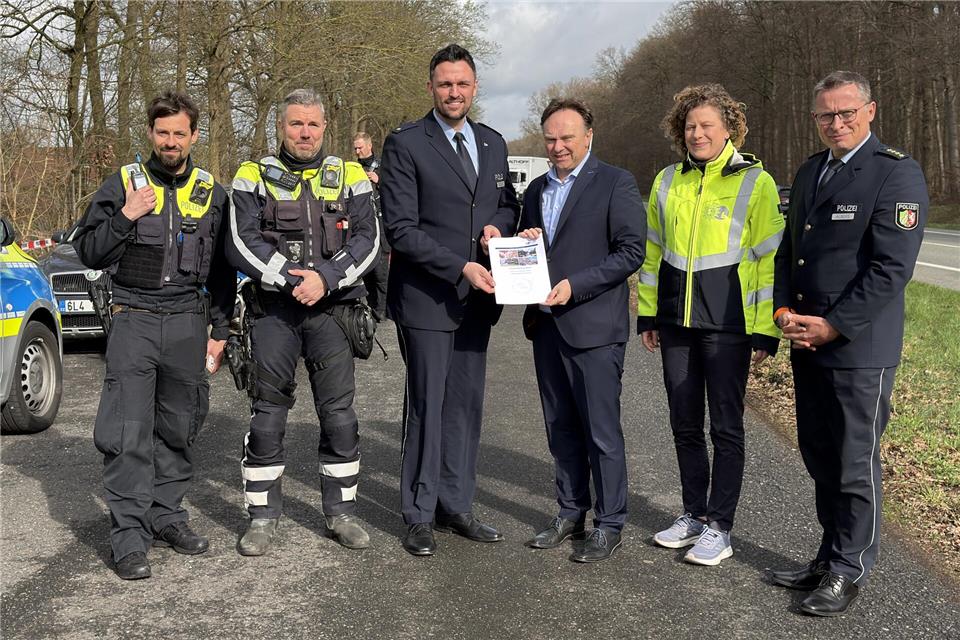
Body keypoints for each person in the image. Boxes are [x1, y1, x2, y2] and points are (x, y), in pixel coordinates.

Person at [770, 70, 928, 616]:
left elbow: (891, 268)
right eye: (825, 115)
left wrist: (834, 324)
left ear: (870, 111)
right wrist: (783, 308)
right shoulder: (812, 170)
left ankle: (848, 569)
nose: (835, 123)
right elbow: (791, 252)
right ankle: (827, 555)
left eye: (846, 113)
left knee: (854, 461)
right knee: (819, 455)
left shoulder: (895, 174)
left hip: (858, 347)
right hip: (806, 340)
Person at [69, 91, 235, 580]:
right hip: (134, 318)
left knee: (179, 429)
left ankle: (167, 517)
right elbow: (87, 252)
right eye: (162, 133)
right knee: (127, 434)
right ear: (150, 133)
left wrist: (219, 332)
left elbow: (225, 271)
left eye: (179, 133)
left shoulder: (212, 191)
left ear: (194, 136)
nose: (170, 141)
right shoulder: (124, 183)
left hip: (188, 321)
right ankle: (129, 538)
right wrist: (127, 216)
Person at [379, 43, 520, 556]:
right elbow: (401, 228)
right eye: (445, 84)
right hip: (428, 298)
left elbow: (509, 204)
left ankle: (455, 504)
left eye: (462, 84)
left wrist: (497, 227)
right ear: (431, 87)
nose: (454, 92)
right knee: (428, 406)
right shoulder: (406, 144)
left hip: (479, 301)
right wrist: (459, 265)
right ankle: (418, 512)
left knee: (465, 405)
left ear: (475, 87)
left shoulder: (493, 142)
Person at [226, 89, 380, 555]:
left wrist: (326, 279)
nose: (305, 132)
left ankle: (341, 514)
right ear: (280, 127)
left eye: (312, 124)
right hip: (274, 312)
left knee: (339, 417)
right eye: (296, 124)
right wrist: (292, 279)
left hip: (333, 312)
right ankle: (262, 518)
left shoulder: (349, 174)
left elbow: (369, 239)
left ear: (324, 126)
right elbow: (239, 240)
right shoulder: (252, 175)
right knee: (268, 415)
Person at [637, 84, 783, 566]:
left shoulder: (755, 182)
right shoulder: (666, 181)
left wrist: (765, 328)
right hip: (676, 322)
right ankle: (693, 515)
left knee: (725, 427)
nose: (697, 133)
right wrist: (649, 314)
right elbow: (654, 255)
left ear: (729, 129)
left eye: (707, 126)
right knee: (683, 423)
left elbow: (767, 261)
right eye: (690, 126)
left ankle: (720, 527)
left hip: (729, 326)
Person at [517, 99, 645, 563]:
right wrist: (525, 241)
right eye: (550, 138)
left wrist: (576, 286)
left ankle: (609, 522)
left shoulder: (615, 182)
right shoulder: (534, 190)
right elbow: (523, 245)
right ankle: (569, 512)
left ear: (588, 136)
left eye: (567, 137)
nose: (558, 146)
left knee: (601, 432)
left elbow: (631, 251)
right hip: (546, 327)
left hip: (593, 328)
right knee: (560, 428)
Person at [353, 131, 390, 320]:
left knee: (382, 272)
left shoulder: (385, 166)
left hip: (382, 224)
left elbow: (398, 190)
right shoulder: (352, 169)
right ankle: (371, 306)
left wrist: (379, 180)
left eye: (360, 147)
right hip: (362, 225)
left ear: (369, 146)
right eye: (355, 148)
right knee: (366, 269)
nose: (357, 151)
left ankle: (382, 309)